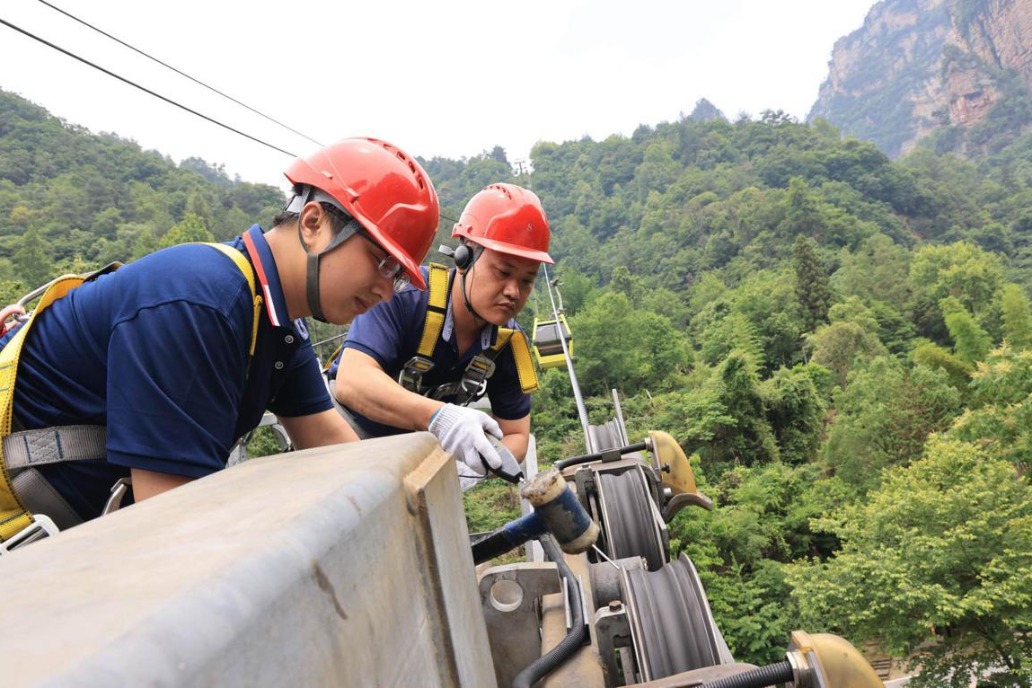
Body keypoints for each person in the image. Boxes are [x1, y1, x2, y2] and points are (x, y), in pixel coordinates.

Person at [0, 137, 440, 547]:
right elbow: (171, 522)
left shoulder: (278, 321)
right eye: (381, 262)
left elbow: (335, 451)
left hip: (77, 542)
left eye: (398, 276)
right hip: (29, 540)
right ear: (313, 223)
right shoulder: (200, 300)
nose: (387, 290)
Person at [327, 183, 553, 490]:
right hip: (343, 441)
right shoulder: (404, 295)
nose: (513, 291)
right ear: (464, 259)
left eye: (527, 281)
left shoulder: (509, 345)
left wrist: (474, 468)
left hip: (414, 467)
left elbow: (516, 435)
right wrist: (439, 416)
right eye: (502, 272)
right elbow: (352, 382)